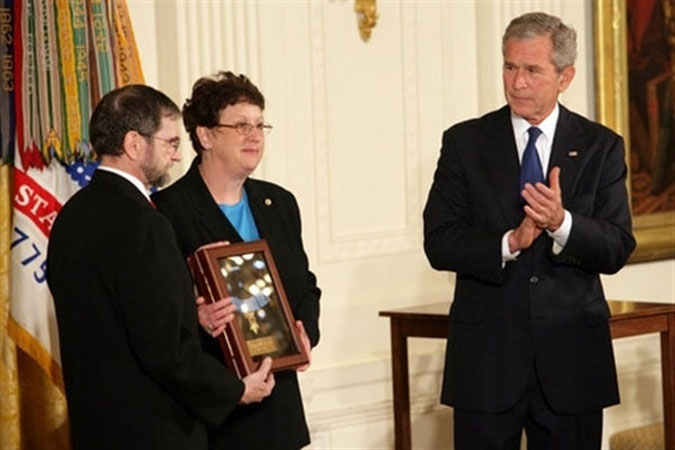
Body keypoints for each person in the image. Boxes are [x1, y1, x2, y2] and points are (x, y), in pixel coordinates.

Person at [423, 12, 636, 450]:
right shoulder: (465, 143)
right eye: (509, 67)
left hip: (571, 363)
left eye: (532, 70)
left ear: (565, 76)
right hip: (487, 365)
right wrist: (509, 242)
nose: (517, 82)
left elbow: (617, 246)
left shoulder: (601, 146)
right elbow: (439, 240)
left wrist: (562, 223)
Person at [46, 84, 275, 450]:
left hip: (96, 427)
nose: (176, 157)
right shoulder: (145, 223)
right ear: (135, 144)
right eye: (170, 143)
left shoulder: (71, 216)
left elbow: (120, 318)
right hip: (154, 431)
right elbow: (165, 349)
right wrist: (235, 390)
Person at [152, 71, 321, 450]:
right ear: (205, 136)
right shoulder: (167, 212)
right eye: (241, 125)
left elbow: (305, 287)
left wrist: (305, 332)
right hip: (216, 414)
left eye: (260, 125)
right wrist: (197, 319)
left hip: (280, 408)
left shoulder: (279, 203)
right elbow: (158, 318)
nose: (255, 135)